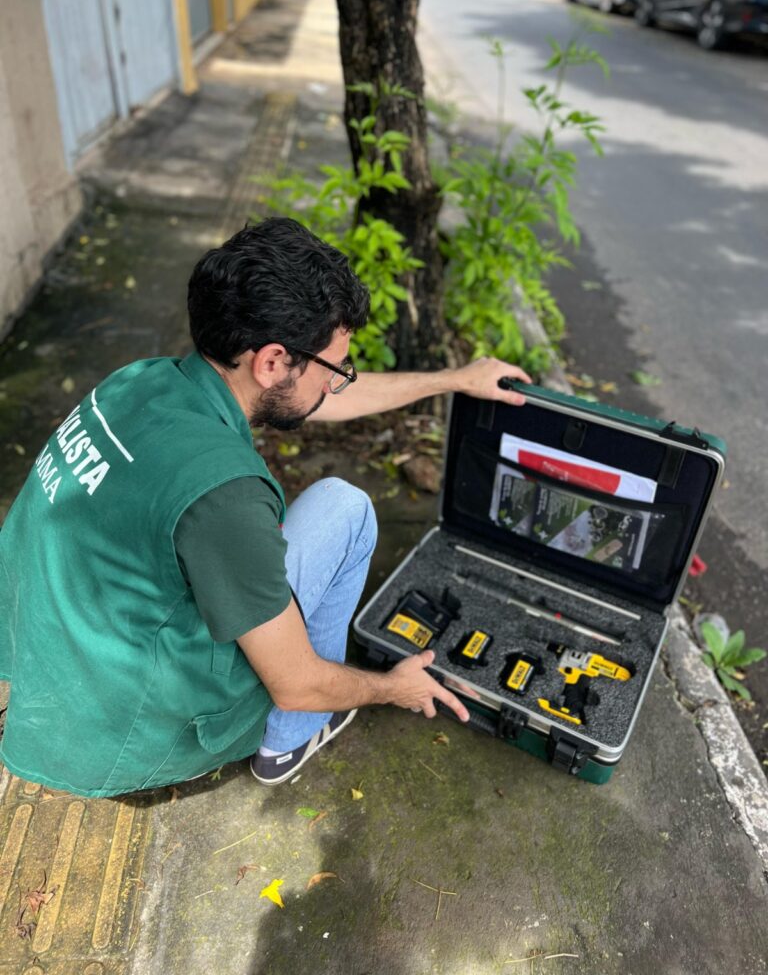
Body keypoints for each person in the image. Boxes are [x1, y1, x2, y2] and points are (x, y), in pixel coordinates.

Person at [0, 218, 531, 796]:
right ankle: (290, 739)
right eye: (333, 369)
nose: (336, 385)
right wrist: (391, 687)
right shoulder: (222, 494)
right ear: (273, 362)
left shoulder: (141, 383)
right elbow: (298, 682)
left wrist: (456, 380)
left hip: (55, 675)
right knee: (344, 510)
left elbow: (316, 399)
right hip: (126, 737)